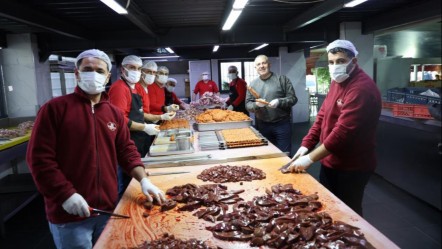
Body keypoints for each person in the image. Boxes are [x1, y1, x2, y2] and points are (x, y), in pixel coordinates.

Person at [26, 49, 166, 249]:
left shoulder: (113, 113)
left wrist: (143, 179)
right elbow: (40, 160)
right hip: (70, 212)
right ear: (77, 73)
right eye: (87, 69)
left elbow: (126, 150)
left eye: (100, 71)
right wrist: (65, 194)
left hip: (108, 209)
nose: (94, 74)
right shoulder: (55, 109)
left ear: (108, 76)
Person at [287, 40, 382, 216]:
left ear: (354, 61)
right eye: (331, 62)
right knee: (329, 207)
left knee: (348, 212)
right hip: (330, 161)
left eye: (340, 61)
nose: (335, 66)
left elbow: (342, 133)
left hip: (353, 166)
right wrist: (306, 145)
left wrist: (309, 159)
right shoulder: (337, 81)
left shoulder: (361, 89)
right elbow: (322, 116)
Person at [108, 55, 160, 196]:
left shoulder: (135, 88)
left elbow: (139, 113)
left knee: (138, 182)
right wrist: (144, 127)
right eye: (132, 68)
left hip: (137, 140)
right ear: (122, 69)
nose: (136, 71)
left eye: (138, 68)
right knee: (127, 186)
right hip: (127, 141)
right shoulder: (119, 88)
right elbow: (119, 120)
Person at [245, 55, 297, 155]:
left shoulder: (282, 80)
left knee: (284, 154)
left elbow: (293, 99)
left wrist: (279, 102)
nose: (261, 66)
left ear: (269, 64)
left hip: (282, 124)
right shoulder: (252, 84)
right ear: (255, 68)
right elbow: (248, 104)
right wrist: (257, 105)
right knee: (267, 154)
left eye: (264, 63)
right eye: (258, 64)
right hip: (262, 124)